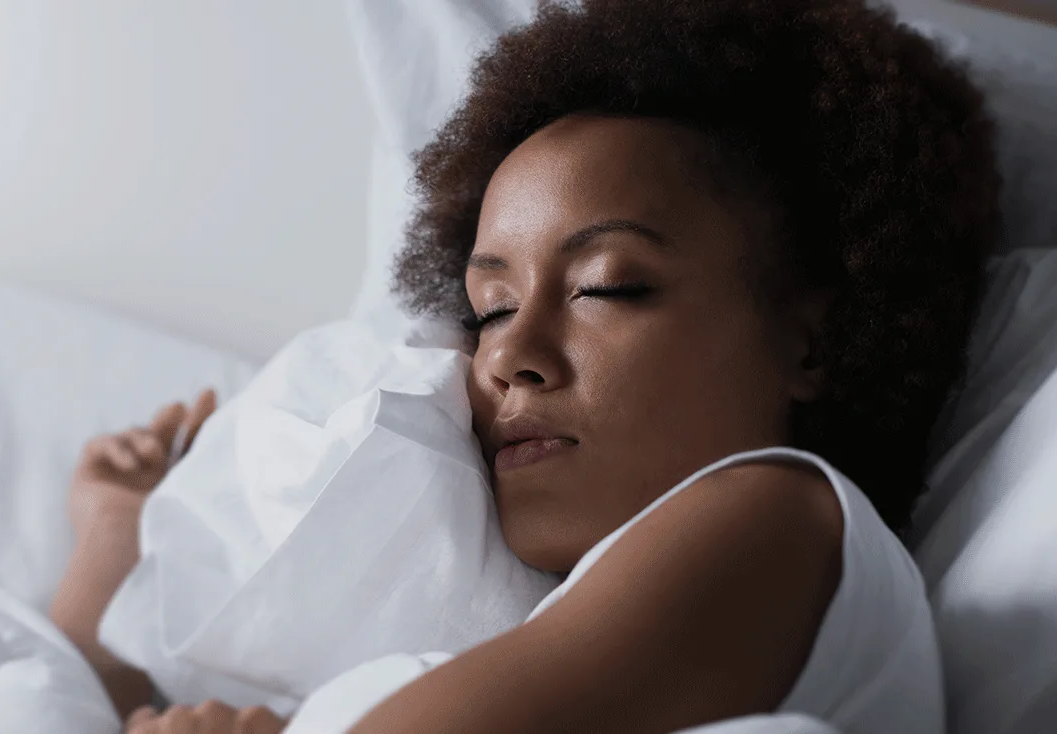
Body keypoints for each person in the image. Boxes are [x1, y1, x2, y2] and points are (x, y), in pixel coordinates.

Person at [51, 0, 1001, 731]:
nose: (508, 355)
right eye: (490, 309)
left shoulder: (781, 520)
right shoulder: (508, 626)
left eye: (607, 286)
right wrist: (111, 542)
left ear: (811, 343)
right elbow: (113, 708)